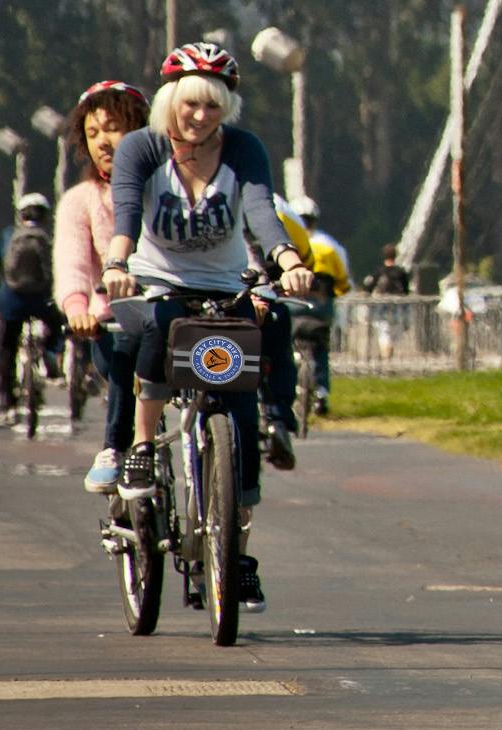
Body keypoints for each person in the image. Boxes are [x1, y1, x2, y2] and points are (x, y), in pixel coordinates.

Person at [100, 43, 316, 613]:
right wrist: (117, 265)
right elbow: (125, 214)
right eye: (192, 105)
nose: (201, 117)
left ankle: (236, 549)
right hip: (153, 282)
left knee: (238, 419)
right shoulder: (142, 149)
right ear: (171, 100)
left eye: (214, 108)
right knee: (158, 327)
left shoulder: (243, 151)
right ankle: (143, 447)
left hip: (223, 288)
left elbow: (262, 211)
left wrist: (288, 262)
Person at [57, 80, 151, 492]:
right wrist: (78, 307)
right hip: (114, 321)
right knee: (129, 345)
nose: (103, 142)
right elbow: (73, 262)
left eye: (113, 128)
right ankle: (115, 447)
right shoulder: (82, 199)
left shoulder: (170, 186)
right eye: (92, 134)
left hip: (176, 311)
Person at [0, 194, 66, 420]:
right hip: (41, 299)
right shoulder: (49, 238)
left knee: (6, 349)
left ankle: (7, 399)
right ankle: (48, 354)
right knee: (57, 325)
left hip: (11, 300)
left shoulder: (9, 235)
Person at [275, 196, 351, 415]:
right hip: (320, 305)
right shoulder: (330, 246)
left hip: (291, 302)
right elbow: (343, 281)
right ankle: (321, 392)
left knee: (283, 344)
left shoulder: (284, 240)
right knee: (320, 349)